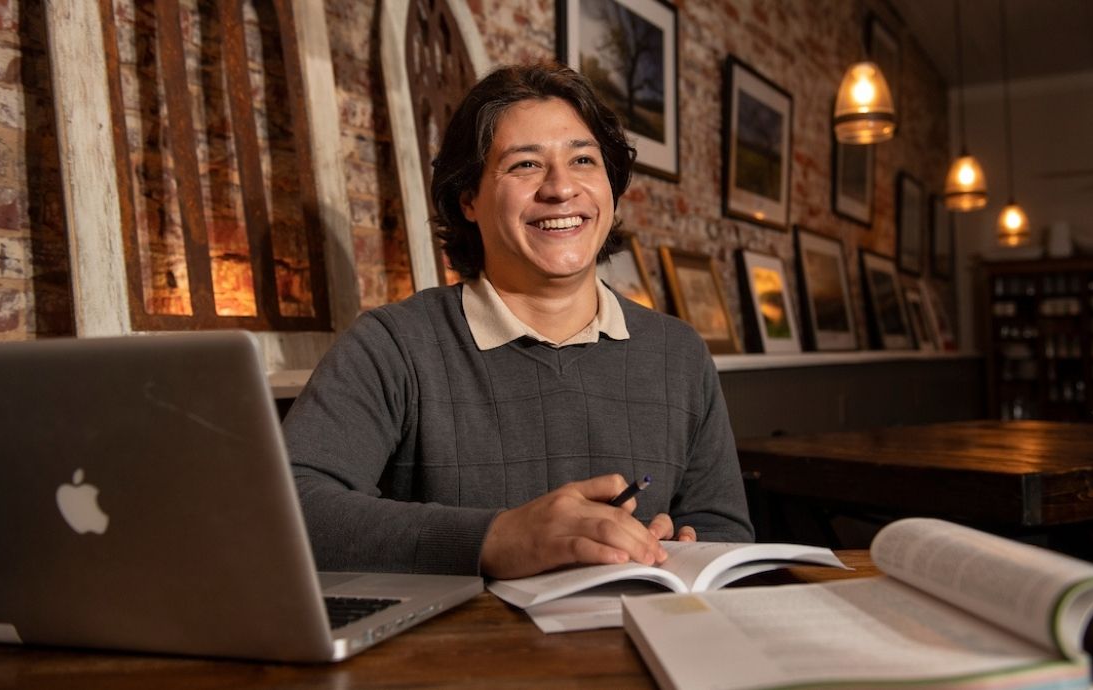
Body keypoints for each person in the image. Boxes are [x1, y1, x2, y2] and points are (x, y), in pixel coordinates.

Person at [284, 61, 753, 580]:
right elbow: (289, 508)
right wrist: (497, 537)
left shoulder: (678, 353)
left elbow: (723, 525)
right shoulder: (393, 345)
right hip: (458, 655)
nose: (561, 188)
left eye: (583, 160)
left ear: (611, 189)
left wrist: (686, 547)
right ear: (469, 199)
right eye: (525, 165)